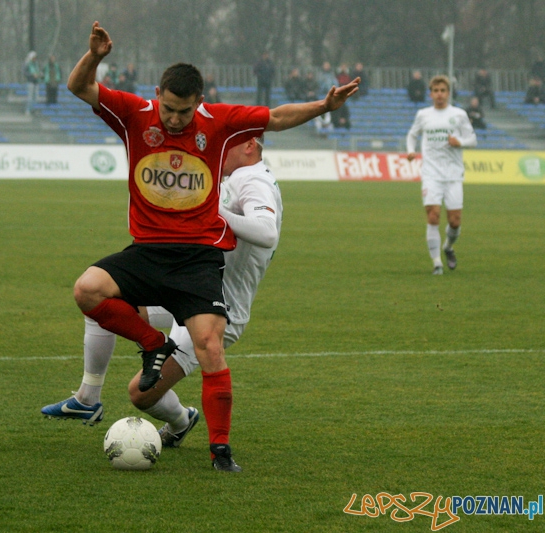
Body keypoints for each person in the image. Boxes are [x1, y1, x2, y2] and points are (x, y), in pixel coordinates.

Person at [59, 21, 358, 472]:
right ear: (158, 93)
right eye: (169, 108)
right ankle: (152, 345)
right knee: (87, 290)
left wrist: (324, 105)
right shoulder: (135, 114)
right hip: (148, 251)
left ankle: (221, 451)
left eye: (183, 111)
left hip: (198, 258)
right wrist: (96, 56)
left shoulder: (218, 123)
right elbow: (79, 86)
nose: (174, 119)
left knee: (208, 345)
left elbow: (275, 118)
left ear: (199, 102)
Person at [42, 135, 281, 450]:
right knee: (103, 297)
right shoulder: (232, 177)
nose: (219, 148)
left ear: (250, 145)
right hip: (187, 289)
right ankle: (88, 397)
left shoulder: (253, 181)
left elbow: (266, 231)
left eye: (228, 142)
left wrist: (215, 215)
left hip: (219, 308)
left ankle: (181, 421)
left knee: (140, 395)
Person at [406, 75, 477, 275]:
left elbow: (472, 139)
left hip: (453, 175)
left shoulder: (459, 114)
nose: (439, 94)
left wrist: (460, 142)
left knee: (455, 222)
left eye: (443, 91)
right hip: (431, 174)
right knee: (433, 216)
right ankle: (437, 262)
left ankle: (448, 247)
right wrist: (411, 150)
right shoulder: (423, 115)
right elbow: (412, 134)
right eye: (435, 91)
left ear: (448, 93)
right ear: (431, 94)